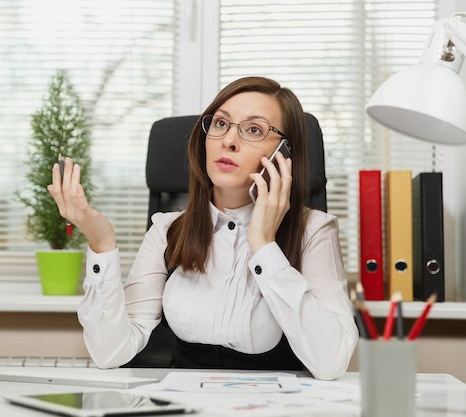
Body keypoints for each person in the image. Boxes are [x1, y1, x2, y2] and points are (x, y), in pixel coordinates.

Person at [48, 76, 358, 381]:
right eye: (221, 124)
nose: (229, 140)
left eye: (253, 129)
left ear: (284, 155)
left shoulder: (313, 231)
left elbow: (331, 362)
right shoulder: (167, 231)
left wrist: (264, 246)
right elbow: (110, 352)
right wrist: (102, 242)